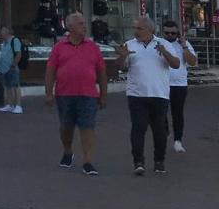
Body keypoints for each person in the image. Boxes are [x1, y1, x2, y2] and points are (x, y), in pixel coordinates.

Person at [44, 12, 106, 176]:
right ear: (70, 27)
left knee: (87, 126)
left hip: (88, 94)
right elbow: (50, 70)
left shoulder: (93, 47)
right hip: (65, 93)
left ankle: (87, 160)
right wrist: (48, 93)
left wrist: (103, 94)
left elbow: (101, 72)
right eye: (80, 23)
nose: (84, 26)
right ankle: (67, 151)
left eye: (84, 23)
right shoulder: (59, 47)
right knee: (66, 126)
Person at [118, 16, 179, 175]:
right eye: (135, 28)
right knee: (138, 128)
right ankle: (138, 162)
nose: (136, 31)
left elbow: (176, 64)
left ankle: (159, 161)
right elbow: (119, 68)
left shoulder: (163, 44)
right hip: (136, 95)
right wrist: (122, 55)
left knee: (159, 130)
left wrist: (164, 52)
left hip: (159, 94)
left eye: (139, 28)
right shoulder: (129, 45)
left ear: (150, 30)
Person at [160, 20, 197, 153]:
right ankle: (165, 132)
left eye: (173, 33)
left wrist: (184, 46)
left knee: (177, 113)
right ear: (163, 32)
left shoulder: (184, 44)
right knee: (160, 112)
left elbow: (192, 62)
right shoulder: (159, 43)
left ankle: (178, 141)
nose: (170, 35)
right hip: (161, 84)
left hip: (179, 85)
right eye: (167, 33)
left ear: (177, 33)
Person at [0, 26, 23, 114]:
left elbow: (18, 53)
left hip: (12, 67)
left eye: (2, 30)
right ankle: (9, 104)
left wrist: (14, 64)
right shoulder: (3, 42)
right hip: (4, 68)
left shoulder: (14, 40)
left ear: (7, 32)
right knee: (7, 87)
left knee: (15, 86)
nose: (0, 32)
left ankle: (18, 105)